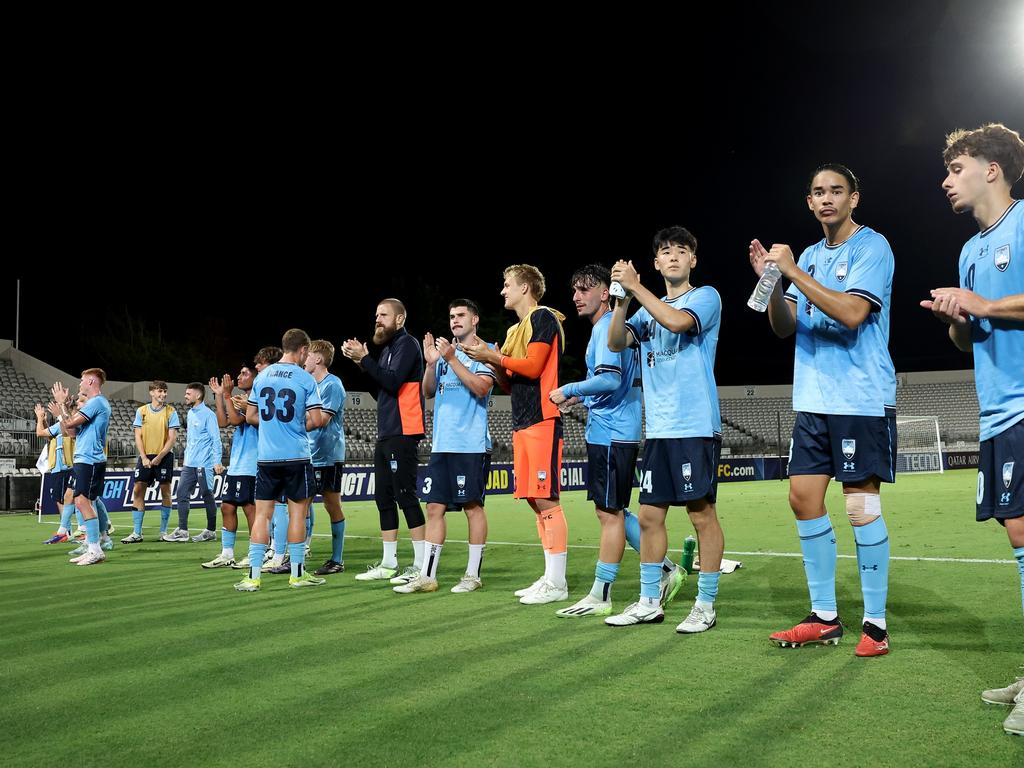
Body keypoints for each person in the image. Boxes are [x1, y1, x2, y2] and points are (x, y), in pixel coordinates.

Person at [749, 163, 896, 656]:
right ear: (809, 203)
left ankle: (875, 626)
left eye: (836, 190)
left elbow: (854, 313)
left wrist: (790, 272)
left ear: (855, 197)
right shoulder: (809, 254)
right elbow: (785, 327)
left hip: (859, 397)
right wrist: (771, 286)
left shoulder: (872, 247)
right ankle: (825, 616)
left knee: (859, 506)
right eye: (817, 192)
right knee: (802, 499)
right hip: (812, 399)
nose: (826, 198)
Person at [922, 122, 1024, 735]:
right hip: (996, 410)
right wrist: (957, 316)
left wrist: (980, 304)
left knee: (1022, 532)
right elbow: (971, 336)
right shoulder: (970, 250)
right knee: (1017, 535)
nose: (945, 179)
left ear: (992, 168)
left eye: (956, 168)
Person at [604, 227, 725, 633]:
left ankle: (705, 604)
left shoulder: (705, 297)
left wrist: (636, 287)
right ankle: (648, 601)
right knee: (650, 515)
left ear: (693, 260)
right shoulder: (643, 308)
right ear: (656, 262)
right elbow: (617, 342)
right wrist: (620, 300)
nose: (673, 257)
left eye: (681, 251)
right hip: (658, 429)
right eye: (665, 252)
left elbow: (675, 323)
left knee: (701, 514)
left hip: (694, 426)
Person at [550, 264, 684, 618]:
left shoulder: (607, 330)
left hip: (613, 434)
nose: (576, 297)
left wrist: (569, 388)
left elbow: (610, 380)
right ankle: (668, 570)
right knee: (614, 511)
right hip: (611, 430)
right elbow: (611, 383)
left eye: (584, 290)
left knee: (608, 514)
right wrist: (580, 399)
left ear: (605, 293)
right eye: (574, 291)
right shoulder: (604, 329)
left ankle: (601, 593)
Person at [464, 265, 569, 605]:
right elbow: (511, 383)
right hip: (523, 421)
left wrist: (493, 355)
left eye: (507, 284)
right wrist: (493, 363)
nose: (502, 291)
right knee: (534, 501)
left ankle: (558, 582)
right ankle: (549, 576)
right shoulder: (515, 331)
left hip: (542, 418)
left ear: (525, 287)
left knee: (546, 500)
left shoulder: (543, 318)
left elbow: (536, 367)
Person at [395, 299, 494, 594]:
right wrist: (431, 364)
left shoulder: (484, 352)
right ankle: (428, 575)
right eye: (451, 316)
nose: (455, 320)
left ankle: (472, 574)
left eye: (461, 315)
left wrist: (451, 359)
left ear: (475, 319)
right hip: (442, 444)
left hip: (471, 444)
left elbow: (481, 388)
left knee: (472, 506)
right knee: (434, 506)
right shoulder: (443, 354)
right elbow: (427, 392)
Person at [235, 328, 328, 591]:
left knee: (262, 515)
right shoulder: (305, 379)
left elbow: (251, 416)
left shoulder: (262, 376)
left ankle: (253, 576)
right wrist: (297, 426)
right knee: (297, 514)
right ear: (303, 350)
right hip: (296, 456)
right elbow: (318, 420)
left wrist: (271, 425)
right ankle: (297, 574)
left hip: (266, 457)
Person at [342, 299, 427, 584]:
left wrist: (366, 360)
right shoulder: (389, 348)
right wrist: (362, 363)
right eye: (376, 314)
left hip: (404, 430)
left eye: (383, 315)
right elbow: (381, 392)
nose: (377, 319)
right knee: (383, 498)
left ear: (400, 319)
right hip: (388, 431)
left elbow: (391, 382)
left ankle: (420, 564)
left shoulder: (408, 344)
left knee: (405, 495)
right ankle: (389, 563)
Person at [52, 369, 112, 566]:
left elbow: (69, 423)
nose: (79, 383)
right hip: (84, 458)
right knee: (82, 501)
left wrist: (62, 404)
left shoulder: (97, 402)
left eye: (82, 380)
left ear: (92, 381)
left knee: (83, 501)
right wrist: (64, 411)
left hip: (90, 459)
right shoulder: (93, 404)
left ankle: (96, 548)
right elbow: (70, 431)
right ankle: (93, 545)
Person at [203, 368, 258, 568]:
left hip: (252, 462)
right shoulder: (241, 398)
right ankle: (227, 554)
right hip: (237, 462)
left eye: (245, 374)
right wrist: (220, 396)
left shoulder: (256, 399)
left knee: (249, 508)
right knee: (227, 506)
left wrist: (227, 395)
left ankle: (255, 553)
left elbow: (235, 420)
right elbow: (222, 421)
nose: (239, 377)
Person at [303, 340, 348, 576]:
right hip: (309, 454)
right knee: (302, 504)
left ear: (318, 358)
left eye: (308, 355)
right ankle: (298, 555)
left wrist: (292, 427)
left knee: (332, 505)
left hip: (329, 455)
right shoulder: (309, 384)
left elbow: (321, 420)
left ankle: (337, 560)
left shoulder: (332, 385)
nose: (305, 359)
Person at [161, 383, 223, 543]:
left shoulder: (208, 415)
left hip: (204, 463)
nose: (185, 396)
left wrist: (217, 461)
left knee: (207, 494)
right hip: (190, 464)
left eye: (188, 393)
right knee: (181, 494)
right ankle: (182, 531)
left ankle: (210, 530)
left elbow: (216, 439)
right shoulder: (190, 413)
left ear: (198, 396)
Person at [123, 380, 179, 543]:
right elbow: (137, 436)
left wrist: (159, 457)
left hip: (164, 456)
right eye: (160, 391)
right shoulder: (141, 411)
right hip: (145, 457)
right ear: (152, 393)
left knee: (165, 492)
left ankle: (163, 532)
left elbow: (172, 438)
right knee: (138, 490)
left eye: (165, 391)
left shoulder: (171, 411)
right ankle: (137, 533)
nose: (163, 394)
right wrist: (144, 457)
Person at [36, 397, 76, 544]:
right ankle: (67, 530)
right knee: (63, 499)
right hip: (59, 466)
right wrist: (46, 421)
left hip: (64, 467)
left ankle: (67, 531)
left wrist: (39, 418)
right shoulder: (63, 425)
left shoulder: (65, 424)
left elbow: (40, 433)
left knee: (66, 500)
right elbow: (50, 437)